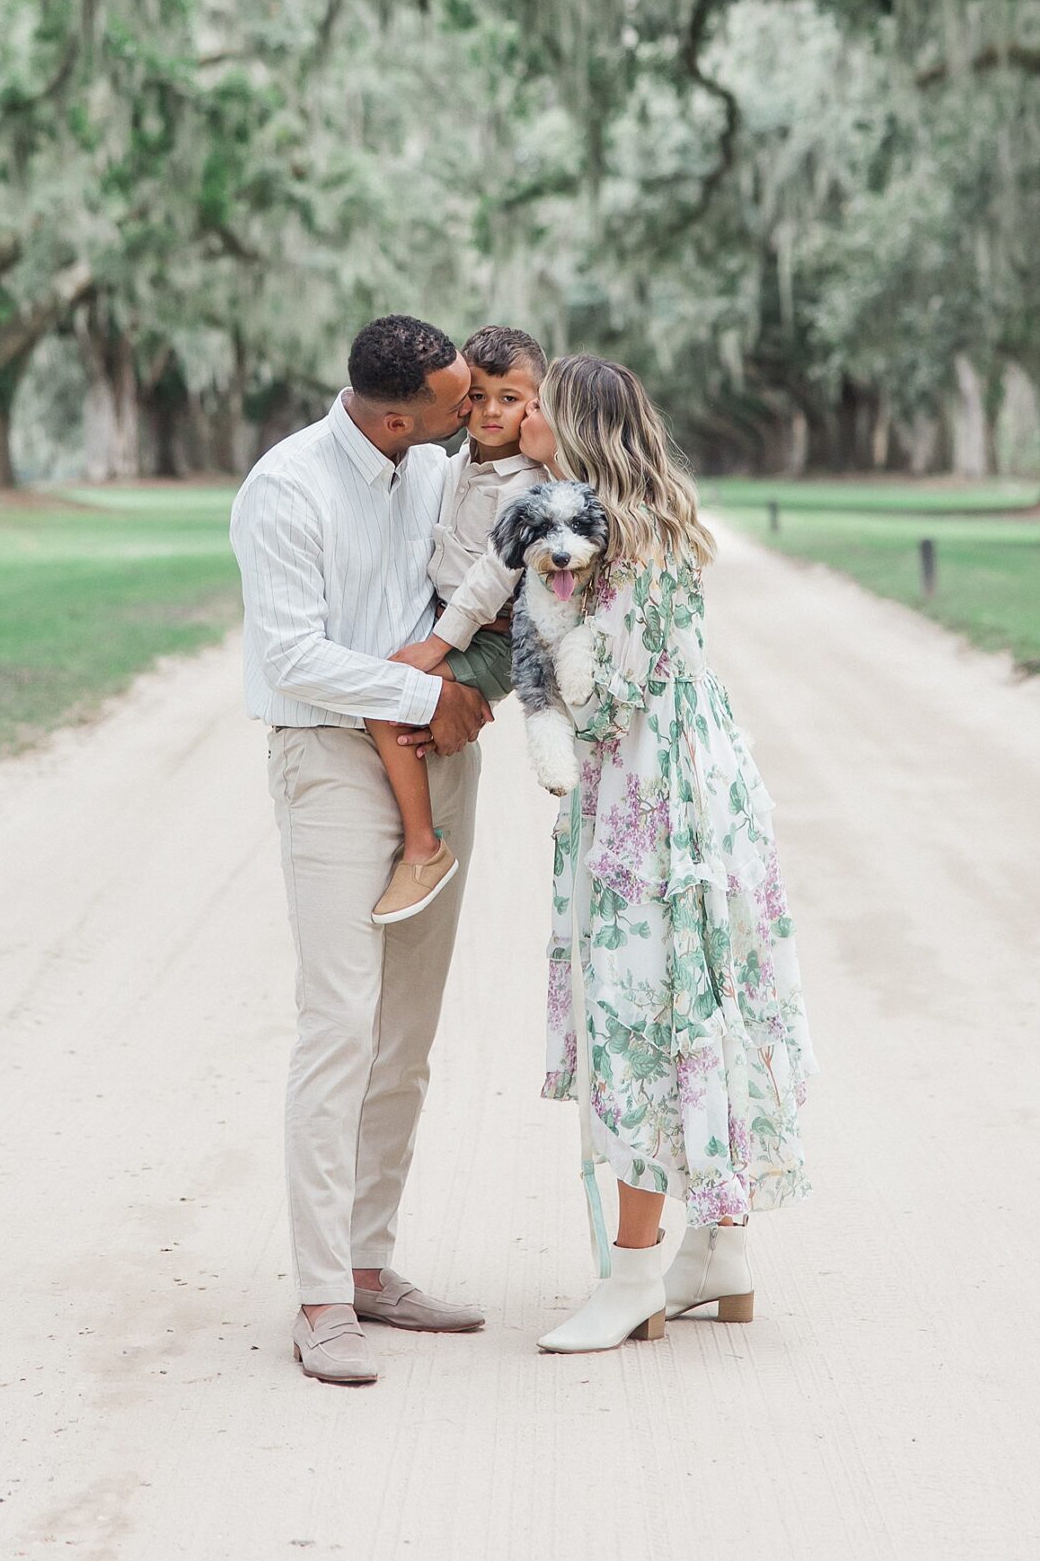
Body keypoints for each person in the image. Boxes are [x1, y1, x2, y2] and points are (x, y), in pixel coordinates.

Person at [520, 354, 816, 1355]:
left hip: (652, 800)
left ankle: (635, 1274)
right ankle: (718, 1248)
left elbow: (608, 692)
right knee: (706, 995)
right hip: (709, 780)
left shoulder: (612, 544)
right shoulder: (659, 514)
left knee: (642, 1007)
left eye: (537, 412)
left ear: (573, 428)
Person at [228, 314, 493, 1388]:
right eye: (457, 401)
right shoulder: (286, 488)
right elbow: (291, 653)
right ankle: (320, 1293)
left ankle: (373, 1263)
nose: (472, 414)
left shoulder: (432, 470)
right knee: (339, 1022)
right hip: (331, 762)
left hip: (438, 757)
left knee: (408, 1030)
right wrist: (424, 689)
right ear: (397, 413)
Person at [366, 324, 551, 925]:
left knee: (386, 691)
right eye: (479, 395)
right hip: (453, 623)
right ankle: (412, 795)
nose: (491, 411)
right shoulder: (451, 466)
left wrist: (437, 646)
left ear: (537, 406)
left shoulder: (527, 484)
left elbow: (494, 576)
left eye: (511, 398)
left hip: (491, 640)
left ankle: (424, 848)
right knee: (408, 697)